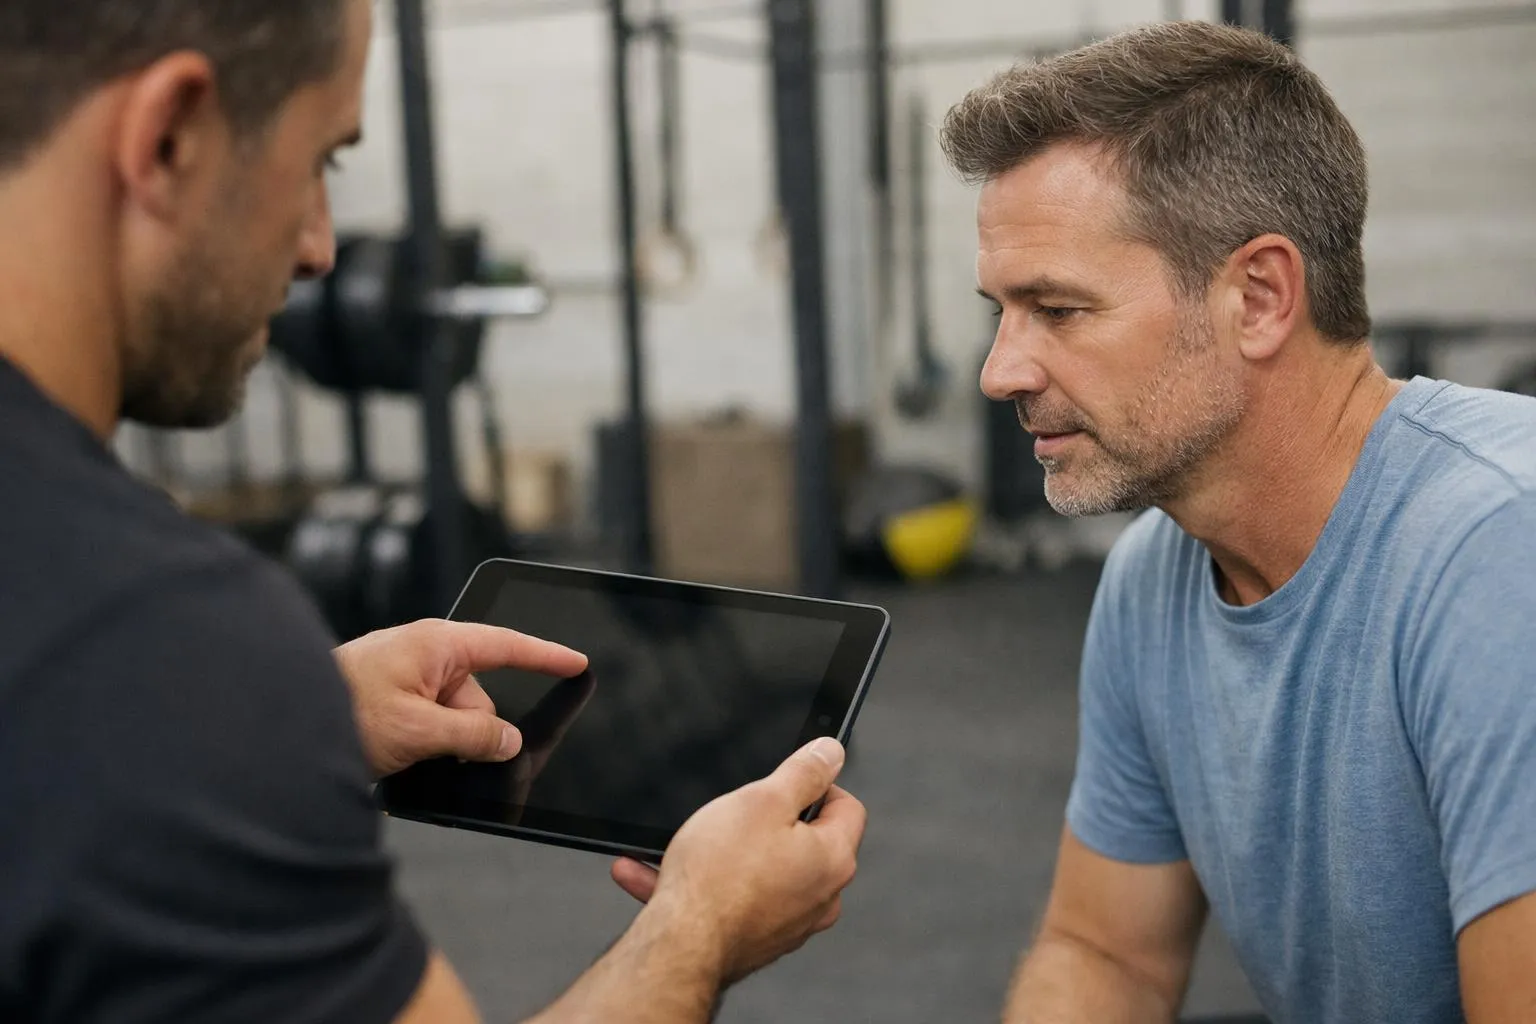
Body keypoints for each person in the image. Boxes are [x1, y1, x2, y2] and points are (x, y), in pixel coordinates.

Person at [0, 2, 865, 1021]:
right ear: (169, 139)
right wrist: (702, 926)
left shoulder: (107, 669)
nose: (321, 246)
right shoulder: (157, 635)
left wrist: (291, 718)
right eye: (321, 158)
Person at [940, 20, 1536, 1024]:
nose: (1002, 370)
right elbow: (1105, 954)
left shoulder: (1499, 554)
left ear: (1258, 297)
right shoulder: (1151, 581)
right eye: (1001, 310)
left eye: (1059, 309)